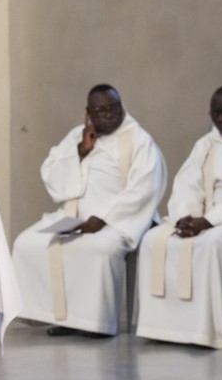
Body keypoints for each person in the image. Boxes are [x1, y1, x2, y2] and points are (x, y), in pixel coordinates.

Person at [11, 84, 167, 336]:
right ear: (88, 113)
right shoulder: (78, 136)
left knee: (99, 249)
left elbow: (146, 188)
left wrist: (104, 219)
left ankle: (97, 325)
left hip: (119, 220)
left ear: (121, 107)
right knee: (25, 244)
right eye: (100, 111)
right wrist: (82, 151)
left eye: (113, 109)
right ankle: (65, 319)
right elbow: (51, 174)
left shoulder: (138, 140)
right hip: (74, 217)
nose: (108, 115)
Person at [135, 85, 222, 349]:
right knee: (153, 240)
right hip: (207, 218)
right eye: (216, 113)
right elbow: (188, 182)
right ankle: (164, 328)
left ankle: (206, 332)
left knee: (213, 243)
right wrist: (186, 217)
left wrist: (210, 221)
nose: (221, 119)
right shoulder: (206, 144)